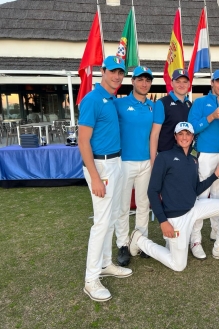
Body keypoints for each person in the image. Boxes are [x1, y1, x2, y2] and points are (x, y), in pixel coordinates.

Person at [128, 122, 219, 271]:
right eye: (180, 134)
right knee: (178, 265)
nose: (184, 137)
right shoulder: (164, 157)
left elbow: (195, 189)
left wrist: (215, 175)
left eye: (187, 134)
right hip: (176, 217)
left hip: (194, 208)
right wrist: (163, 221)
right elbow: (152, 191)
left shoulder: (193, 160)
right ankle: (140, 240)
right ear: (175, 136)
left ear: (193, 137)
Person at [78, 55, 132, 302]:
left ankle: (105, 263)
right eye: (113, 71)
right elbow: (82, 141)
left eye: (121, 72)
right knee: (101, 222)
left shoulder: (111, 99)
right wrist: (95, 177)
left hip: (116, 162)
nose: (117, 76)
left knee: (112, 217)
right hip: (100, 165)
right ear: (103, 70)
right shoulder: (92, 99)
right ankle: (90, 279)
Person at [187, 69, 219, 260]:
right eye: (218, 82)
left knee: (217, 194)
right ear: (212, 83)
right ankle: (195, 239)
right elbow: (192, 127)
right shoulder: (200, 102)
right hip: (205, 153)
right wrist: (212, 116)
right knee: (201, 194)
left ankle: (216, 231)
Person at [113, 66, 155, 267]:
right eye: (140, 79)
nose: (144, 83)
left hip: (146, 162)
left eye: (147, 80)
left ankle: (140, 241)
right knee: (122, 206)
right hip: (124, 162)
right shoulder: (119, 104)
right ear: (133, 81)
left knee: (143, 204)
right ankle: (122, 243)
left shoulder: (152, 107)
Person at [151, 69, 192, 162]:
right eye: (178, 82)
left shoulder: (190, 105)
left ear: (189, 84)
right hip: (165, 156)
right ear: (172, 83)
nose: (181, 85)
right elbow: (154, 134)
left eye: (185, 82)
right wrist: (153, 162)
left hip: (184, 157)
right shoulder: (162, 103)